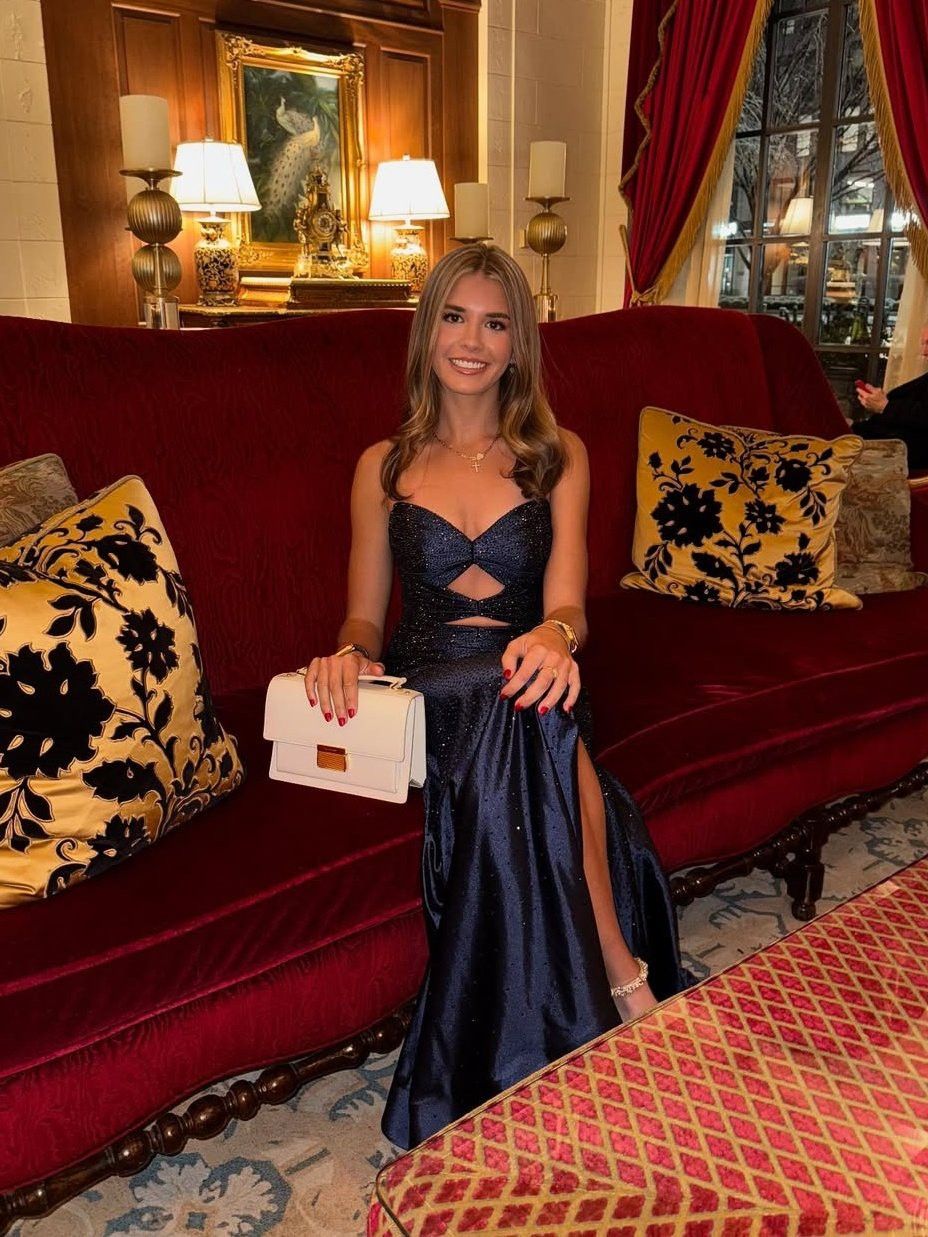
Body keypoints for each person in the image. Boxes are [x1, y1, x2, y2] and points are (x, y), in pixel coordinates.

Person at [303, 244, 689, 1150]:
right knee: (531, 707)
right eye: (454, 317)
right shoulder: (382, 467)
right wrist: (347, 655)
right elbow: (365, 618)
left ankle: (568, 1008)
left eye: (495, 322)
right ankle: (621, 973)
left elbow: (569, 604)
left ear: (519, 343)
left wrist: (555, 637)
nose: (472, 341)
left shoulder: (558, 457)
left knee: (534, 695)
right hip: (429, 689)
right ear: (426, 330)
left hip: (534, 671)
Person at [855, 321, 928, 469]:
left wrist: (885, 406)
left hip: (907, 459)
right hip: (881, 445)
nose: (924, 352)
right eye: (923, 344)